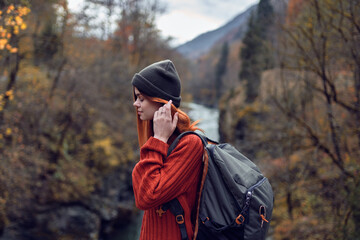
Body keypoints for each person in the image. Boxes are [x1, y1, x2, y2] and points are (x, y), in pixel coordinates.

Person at [131, 59, 204, 240]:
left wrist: (159, 139)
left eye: (141, 98)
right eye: (135, 98)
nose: (135, 104)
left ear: (162, 103)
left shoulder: (189, 144)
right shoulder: (158, 139)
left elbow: (147, 196)